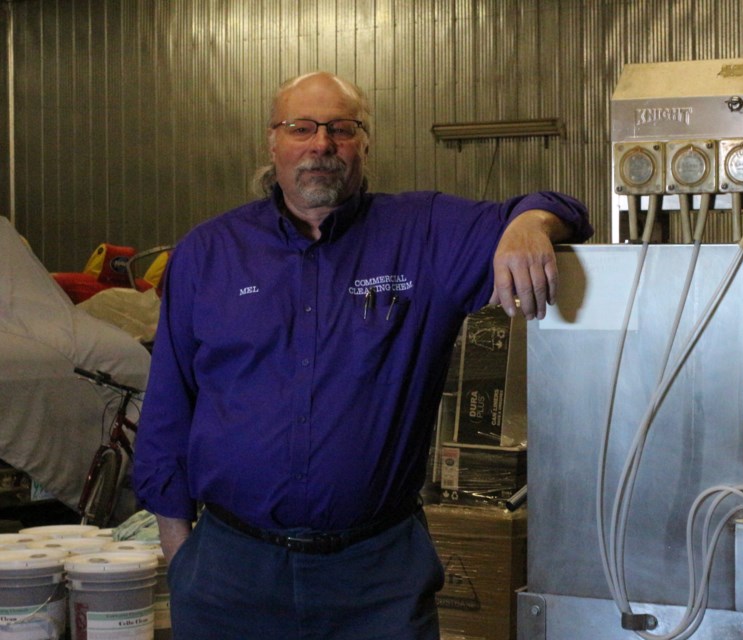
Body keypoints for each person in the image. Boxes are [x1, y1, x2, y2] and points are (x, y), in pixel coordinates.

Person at [133, 71, 592, 639]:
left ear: (364, 144)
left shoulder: (423, 233)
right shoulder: (209, 252)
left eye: (341, 129)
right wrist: (183, 558)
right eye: (300, 128)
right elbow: (168, 408)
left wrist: (528, 223)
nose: (321, 145)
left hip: (376, 578)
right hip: (231, 570)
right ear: (272, 143)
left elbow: (566, 206)